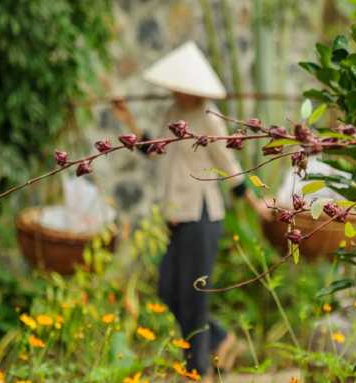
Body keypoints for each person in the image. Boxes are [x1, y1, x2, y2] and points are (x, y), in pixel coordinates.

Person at [141, 41, 259, 380]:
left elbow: (229, 164)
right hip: (177, 216)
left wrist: (254, 202)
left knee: (193, 296)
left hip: (203, 216)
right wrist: (126, 119)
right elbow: (154, 151)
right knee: (167, 290)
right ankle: (221, 338)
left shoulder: (209, 118)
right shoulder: (171, 113)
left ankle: (197, 371)